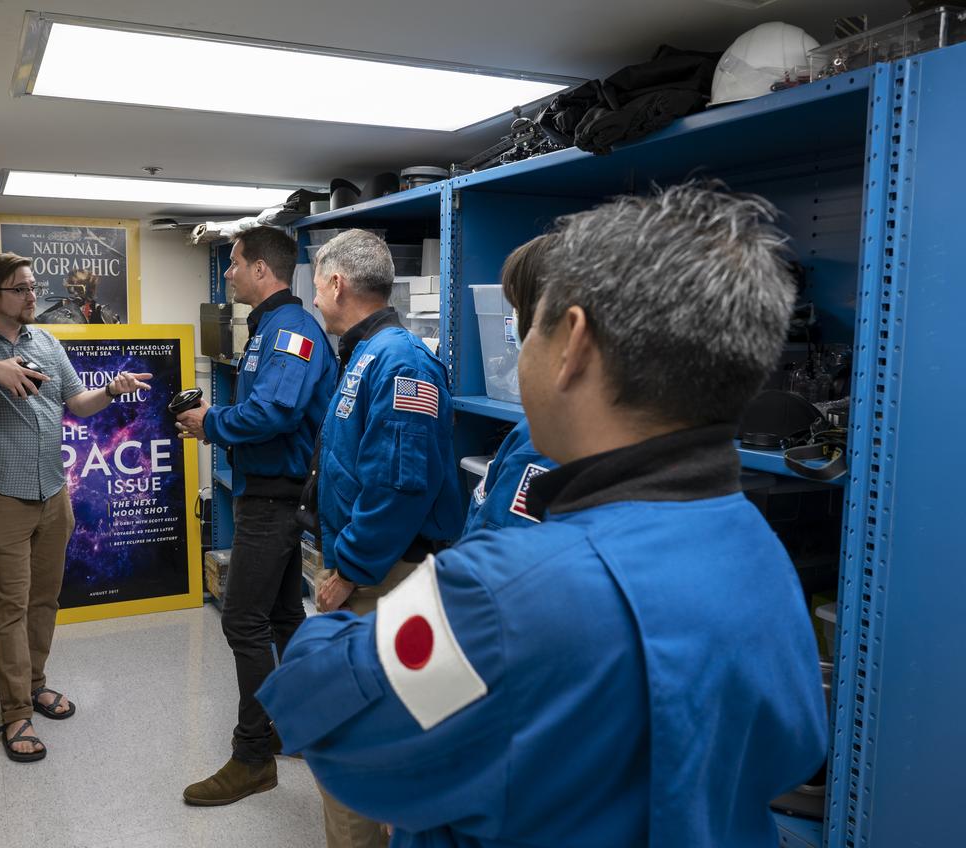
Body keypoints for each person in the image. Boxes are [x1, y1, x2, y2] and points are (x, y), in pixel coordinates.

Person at [258, 184, 829, 846]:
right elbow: (790, 752)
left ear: (573, 345)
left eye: (528, 326)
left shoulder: (504, 591)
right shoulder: (755, 550)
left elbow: (323, 712)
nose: (517, 349)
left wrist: (355, 620)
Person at [0, 252, 150, 763]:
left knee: (44, 600)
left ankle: (34, 684)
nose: (34, 297)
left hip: (54, 494)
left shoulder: (47, 341)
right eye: (22, 289)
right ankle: (15, 715)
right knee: (9, 608)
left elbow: (76, 404)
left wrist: (111, 391)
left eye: (33, 287)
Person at [296, 229, 462, 847]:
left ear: (337, 283)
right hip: (380, 571)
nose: (315, 298)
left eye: (316, 284)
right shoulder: (366, 354)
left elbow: (400, 485)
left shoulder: (400, 360)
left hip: (390, 577)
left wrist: (350, 571)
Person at [173, 227, 335, 805]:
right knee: (284, 616)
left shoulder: (291, 330)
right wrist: (217, 416)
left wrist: (211, 424)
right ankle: (293, 727)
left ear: (262, 269)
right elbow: (266, 404)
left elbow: (277, 410)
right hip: (270, 491)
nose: (228, 274)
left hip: (275, 496)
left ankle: (253, 755)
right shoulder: (269, 326)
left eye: (234, 264)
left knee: (242, 620)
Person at [462, 241, 560, 535]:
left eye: (516, 307)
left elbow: (499, 555)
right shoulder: (535, 427)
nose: (512, 319)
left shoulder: (551, 441)